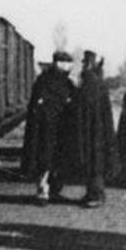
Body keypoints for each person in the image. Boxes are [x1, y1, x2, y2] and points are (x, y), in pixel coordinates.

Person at [22, 51, 75, 205]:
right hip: (46, 129)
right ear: (59, 64)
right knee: (44, 160)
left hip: (58, 129)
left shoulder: (46, 80)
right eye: (66, 63)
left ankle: (51, 190)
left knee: (53, 159)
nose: (69, 67)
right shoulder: (48, 81)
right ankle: (43, 191)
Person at [68, 50, 117, 208]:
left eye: (84, 62)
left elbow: (82, 107)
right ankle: (94, 193)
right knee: (96, 162)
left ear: (88, 64)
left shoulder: (88, 82)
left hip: (91, 130)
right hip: (100, 130)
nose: (82, 65)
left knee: (92, 162)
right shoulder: (100, 83)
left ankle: (95, 195)